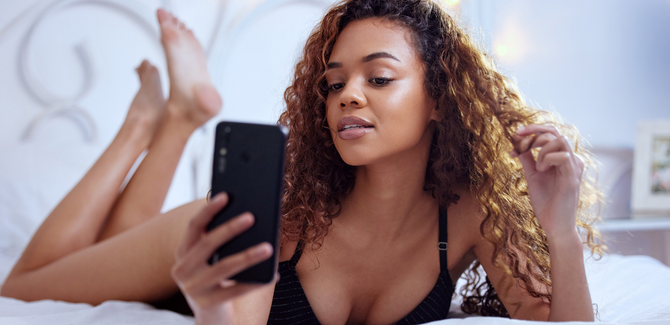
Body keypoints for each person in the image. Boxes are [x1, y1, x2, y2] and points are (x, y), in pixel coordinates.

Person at [1, 0, 604, 324]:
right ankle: (143, 127)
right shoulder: (291, 206)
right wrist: (209, 308)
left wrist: (561, 231)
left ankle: (182, 114)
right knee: (26, 285)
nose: (347, 94)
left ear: (441, 100)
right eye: (333, 82)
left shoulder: (469, 212)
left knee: (113, 242)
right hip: (193, 241)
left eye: (380, 76)